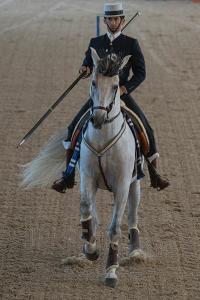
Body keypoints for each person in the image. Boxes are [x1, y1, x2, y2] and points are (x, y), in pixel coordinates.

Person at [52, 3, 169, 193]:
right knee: (73, 128)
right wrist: (84, 69)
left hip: (120, 94)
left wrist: (125, 88)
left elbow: (141, 73)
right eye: (110, 19)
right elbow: (87, 63)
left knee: (147, 129)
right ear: (105, 20)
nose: (113, 22)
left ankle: (155, 174)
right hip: (99, 97)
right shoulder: (95, 42)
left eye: (117, 19)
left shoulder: (131, 43)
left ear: (122, 21)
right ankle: (68, 175)